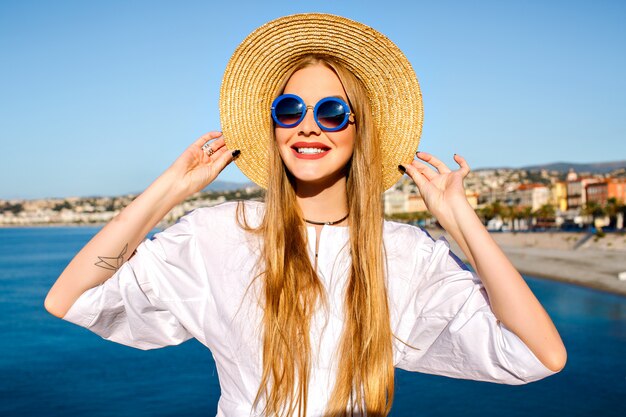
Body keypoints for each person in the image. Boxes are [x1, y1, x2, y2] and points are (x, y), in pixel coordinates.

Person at [44, 13, 566, 417]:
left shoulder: (405, 255)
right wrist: (169, 190)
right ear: (273, 128)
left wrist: (459, 221)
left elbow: (540, 355)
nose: (309, 126)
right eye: (290, 110)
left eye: (333, 112)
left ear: (361, 130)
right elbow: (72, 298)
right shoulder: (217, 235)